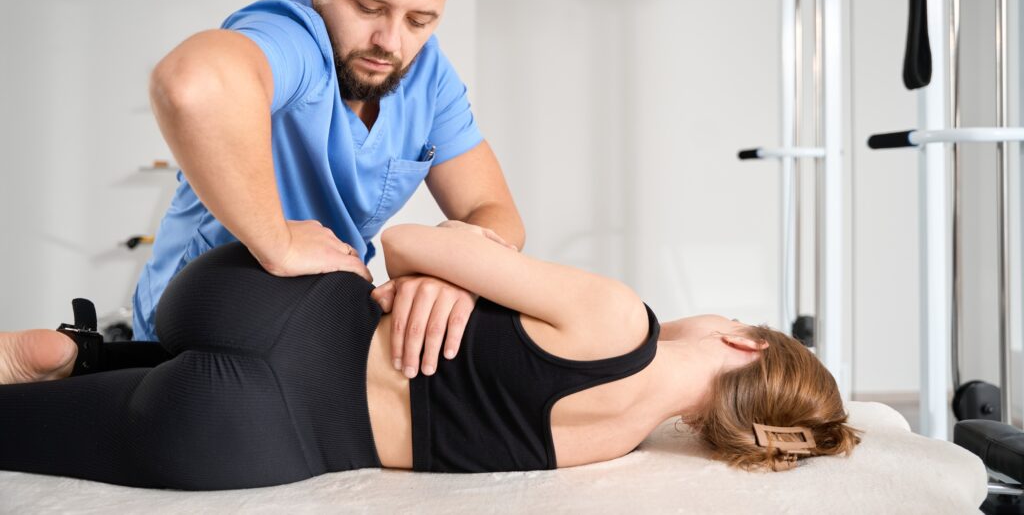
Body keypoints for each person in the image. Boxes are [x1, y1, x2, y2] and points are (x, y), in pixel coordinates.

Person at [0, 224, 859, 489]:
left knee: (329, 261)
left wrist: (435, 277)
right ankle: (93, 371)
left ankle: (85, 353)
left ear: (742, 341)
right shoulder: (615, 445)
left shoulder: (622, 321)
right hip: (255, 439)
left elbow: (405, 237)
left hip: (279, 303)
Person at [133, 0, 524, 380]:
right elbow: (190, 84)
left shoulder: (428, 74)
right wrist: (277, 241)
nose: (390, 42)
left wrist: (457, 268)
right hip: (197, 326)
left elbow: (494, 213)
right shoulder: (294, 38)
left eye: (419, 20)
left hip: (316, 323)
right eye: (367, 7)